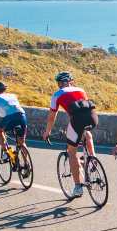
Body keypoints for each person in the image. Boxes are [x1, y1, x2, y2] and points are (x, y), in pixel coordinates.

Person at [42, 71, 98, 199]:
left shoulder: (57, 95)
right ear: (70, 82)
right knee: (86, 133)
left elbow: (52, 117)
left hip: (77, 121)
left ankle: (78, 187)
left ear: (59, 84)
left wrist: (47, 132)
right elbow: (82, 107)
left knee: (71, 152)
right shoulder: (81, 90)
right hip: (93, 117)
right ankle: (92, 159)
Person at [0, 81, 27, 149]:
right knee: (22, 142)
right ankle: (26, 159)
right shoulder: (13, 95)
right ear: (4, 89)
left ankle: (6, 153)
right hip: (22, 115)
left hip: (9, 117)